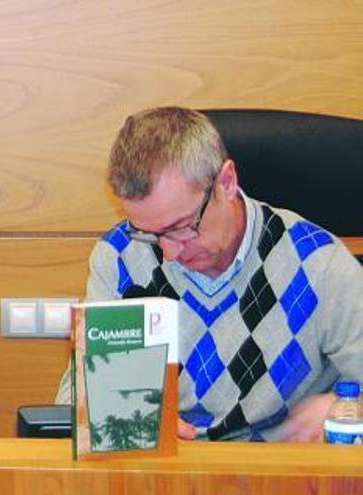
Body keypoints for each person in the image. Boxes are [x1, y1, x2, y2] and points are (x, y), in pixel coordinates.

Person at [56, 106, 363, 442]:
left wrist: (343, 410)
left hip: (278, 473)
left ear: (226, 183)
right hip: (172, 472)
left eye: (181, 227)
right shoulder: (121, 257)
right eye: (149, 233)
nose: (169, 253)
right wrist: (125, 418)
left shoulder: (318, 263)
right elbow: (80, 400)